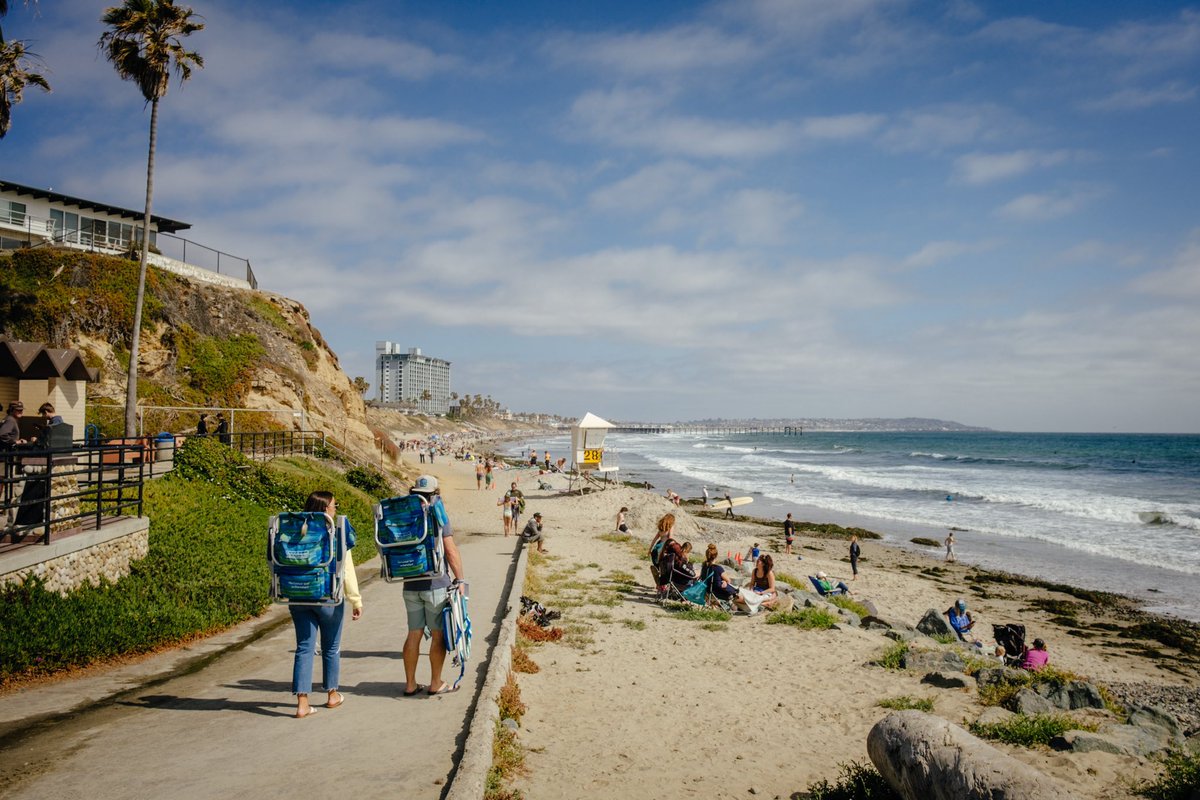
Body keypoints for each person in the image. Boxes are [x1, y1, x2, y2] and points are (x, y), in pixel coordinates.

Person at [289, 491, 362, 718]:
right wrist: (355, 599)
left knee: (304, 647)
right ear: (325, 509)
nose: (335, 509)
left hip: (298, 594)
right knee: (331, 647)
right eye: (333, 505)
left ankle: (302, 704)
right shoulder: (335, 529)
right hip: (328, 596)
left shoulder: (294, 528)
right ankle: (332, 695)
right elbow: (347, 569)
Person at [402, 475, 466, 697]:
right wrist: (460, 579)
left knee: (413, 634)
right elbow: (450, 550)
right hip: (435, 583)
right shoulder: (436, 511)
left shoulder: (405, 513)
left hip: (410, 582)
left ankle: (410, 684)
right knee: (438, 634)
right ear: (435, 493)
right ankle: (435, 682)